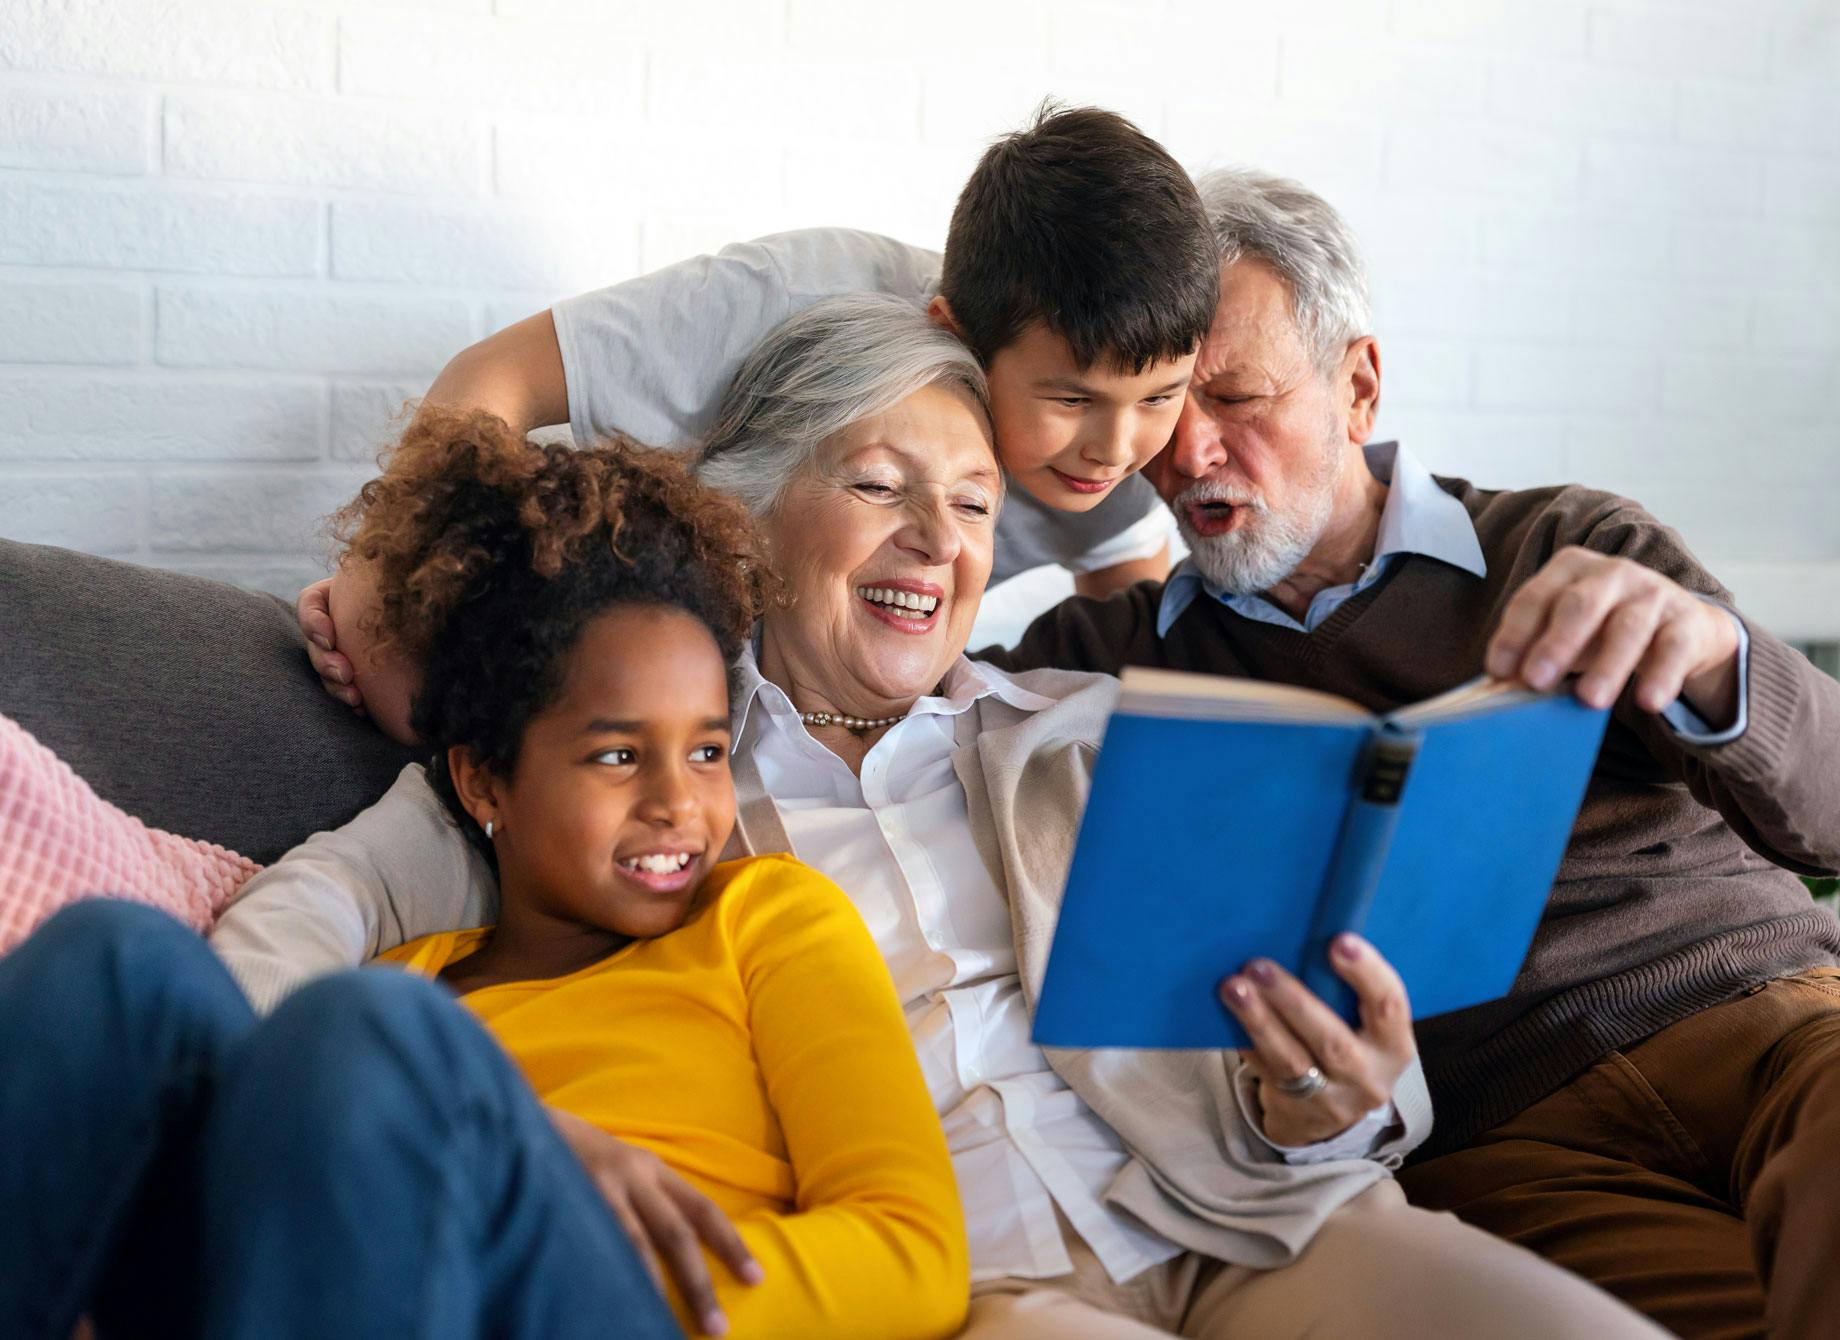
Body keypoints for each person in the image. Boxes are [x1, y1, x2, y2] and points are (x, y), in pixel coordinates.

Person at [210, 295, 1664, 1338]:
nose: (936, 542)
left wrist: (1334, 1095)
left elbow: (1339, 1094)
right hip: (980, 1293)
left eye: (974, 509)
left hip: (1254, 1233)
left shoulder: (1085, 735)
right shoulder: (638, 756)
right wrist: (269, 1092)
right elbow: (317, 909)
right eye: (880, 486)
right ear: (753, 515)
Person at [974, 168, 1840, 1339]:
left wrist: (1714, 652)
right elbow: (880, 653)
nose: (1191, 451)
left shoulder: (1562, 543)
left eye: (1240, 399)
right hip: (1497, 1139)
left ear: (1356, 385)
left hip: (1762, 1027)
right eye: (1163, 403)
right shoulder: (1100, 663)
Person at [0, 415, 967, 1340]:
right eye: (619, 758)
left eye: (709, 752)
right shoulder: (403, 979)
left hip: (617, 1308)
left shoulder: (768, 917)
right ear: (484, 778)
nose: (681, 804)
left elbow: (912, 1253)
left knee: (370, 1033)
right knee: (116, 960)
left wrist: (517, 1179)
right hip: (340, 1282)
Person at [300, 102, 1218, 737]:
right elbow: (495, 377)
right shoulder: (782, 301)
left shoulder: (1109, 458)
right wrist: (397, 590)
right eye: (1069, 400)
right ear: (958, 336)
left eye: (1160, 397)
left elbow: (1121, 642)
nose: (1117, 446)